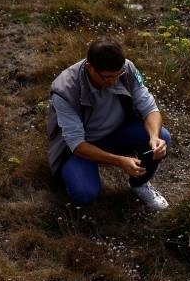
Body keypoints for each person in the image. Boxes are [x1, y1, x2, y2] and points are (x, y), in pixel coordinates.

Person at [46, 37, 172, 211]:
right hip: (79, 147)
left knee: (163, 136)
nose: (113, 81)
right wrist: (120, 161)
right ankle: (72, 176)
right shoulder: (64, 91)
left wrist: (153, 137)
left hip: (116, 133)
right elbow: (76, 144)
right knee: (85, 193)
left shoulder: (126, 69)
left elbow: (150, 109)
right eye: (107, 77)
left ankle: (139, 184)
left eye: (117, 75)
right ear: (90, 68)